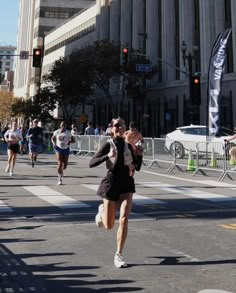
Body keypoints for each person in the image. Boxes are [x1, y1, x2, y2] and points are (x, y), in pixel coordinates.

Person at [89, 117, 142, 268]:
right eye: (116, 126)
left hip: (126, 183)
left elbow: (136, 167)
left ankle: (118, 254)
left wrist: (139, 154)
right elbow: (91, 162)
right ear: (112, 129)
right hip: (111, 183)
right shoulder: (108, 144)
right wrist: (107, 155)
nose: (119, 128)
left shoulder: (129, 146)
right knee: (109, 225)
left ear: (125, 128)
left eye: (121, 125)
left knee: (124, 218)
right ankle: (102, 210)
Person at [51, 121, 75, 185]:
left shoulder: (68, 133)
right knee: (60, 163)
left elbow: (73, 140)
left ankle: (61, 172)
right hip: (58, 149)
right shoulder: (56, 132)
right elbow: (52, 138)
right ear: (60, 126)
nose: (63, 127)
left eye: (64, 126)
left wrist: (69, 142)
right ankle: (59, 179)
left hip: (66, 149)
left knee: (65, 166)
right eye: (62, 126)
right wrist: (53, 143)